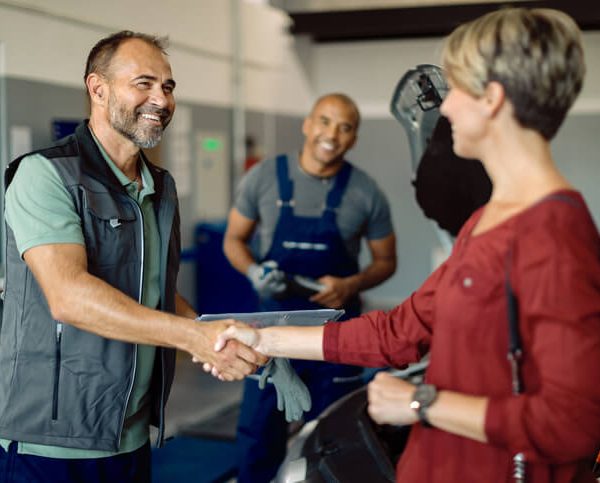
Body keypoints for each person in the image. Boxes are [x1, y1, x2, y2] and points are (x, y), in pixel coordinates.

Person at [214, 8, 600, 483]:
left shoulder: (553, 235)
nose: (448, 107)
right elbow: (398, 332)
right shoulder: (486, 221)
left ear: (493, 99)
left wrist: (422, 403)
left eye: (456, 89)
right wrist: (264, 339)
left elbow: (572, 425)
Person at [0, 31, 265, 483]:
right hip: (51, 441)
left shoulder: (160, 186)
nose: (160, 99)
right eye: (143, 83)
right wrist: (189, 338)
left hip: (130, 435)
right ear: (98, 88)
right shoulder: (45, 174)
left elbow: (155, 289)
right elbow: (68, 296)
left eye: (167, 86)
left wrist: (220, 341)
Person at [223, 92, 397, 482]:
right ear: (307, 124)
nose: (332, 134)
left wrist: (351, 283)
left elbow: (387, 261)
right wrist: (253, 271)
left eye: (345, 127)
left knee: (335, 437)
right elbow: (233, 240)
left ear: (353, 139)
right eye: (324, 121)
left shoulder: (366, 193)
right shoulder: (264, 178)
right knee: (257, 438)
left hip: (335, 340)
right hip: (267, 338)